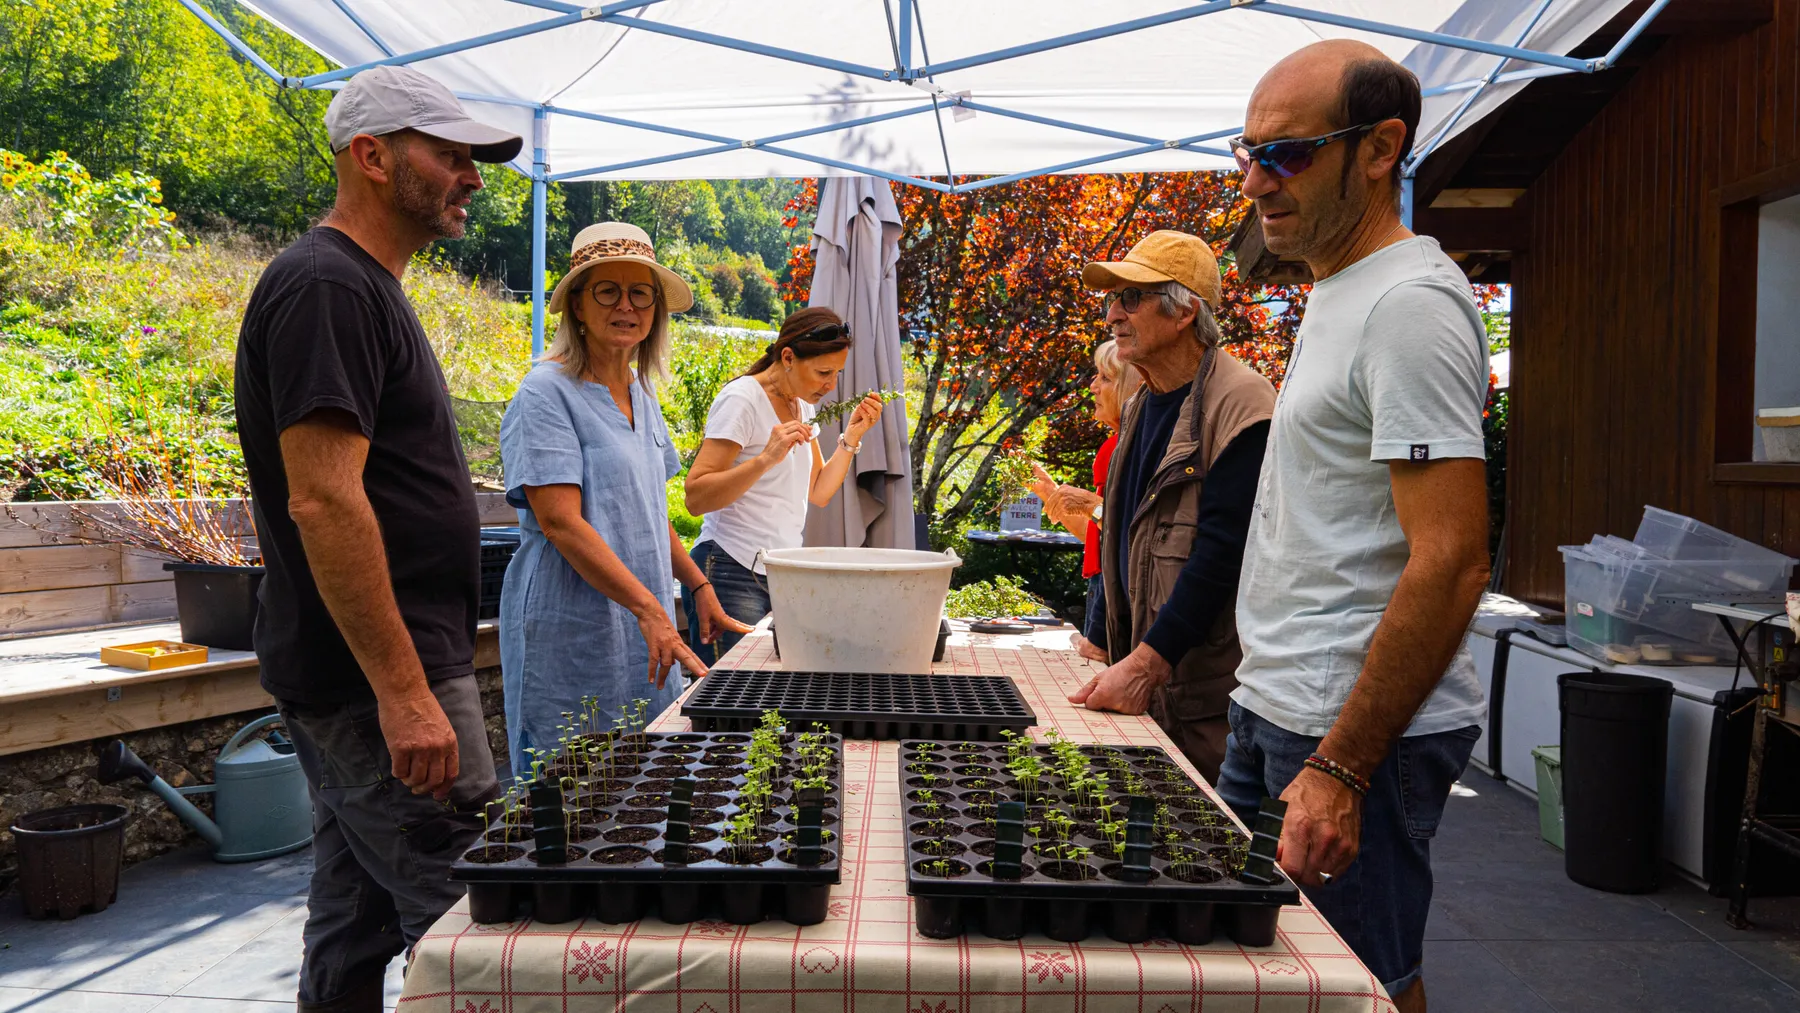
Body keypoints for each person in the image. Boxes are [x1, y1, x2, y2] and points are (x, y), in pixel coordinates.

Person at [232, 66, 522, 1012]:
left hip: (371, 673)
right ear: (372, 156)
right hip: (376, 681)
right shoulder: (327, 286)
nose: (472, 176)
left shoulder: (362, 284)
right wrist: (404, 694)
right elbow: (323, 500)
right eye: (450, 155)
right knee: (472, 925)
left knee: (353, 919)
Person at [1220, 41, 1492, 1013]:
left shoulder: (1409, 304)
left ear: (1381, 149)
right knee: (1273, 978)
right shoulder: (1340, 287)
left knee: (1361, 986)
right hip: (1282, 703)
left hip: (1342, 731)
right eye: (1244, 152)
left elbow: (1454, 557)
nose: (1254, 180)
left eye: (1286, 154)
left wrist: (1340, 763)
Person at [498, 222, 749, 774]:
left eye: (640, 293)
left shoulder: (641, 392)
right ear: (578, 307)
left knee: (640, 773)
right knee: (569, 775)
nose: (626, 306)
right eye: (606, 291)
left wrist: (697, 584)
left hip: (643, 617)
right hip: (574, 622)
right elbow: (561, 523)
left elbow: (647, 513)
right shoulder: (545, 393)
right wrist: (651, 609)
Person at [1066, 230, 1275, 781]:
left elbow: (1223, 553)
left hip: (1203, 701)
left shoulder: (1241, 402)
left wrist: (1146, 664)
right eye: (1113, 299)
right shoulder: (1143, 404)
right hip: (1150, 685)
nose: (1113, 315)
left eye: (1130, 298)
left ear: (1184, 311)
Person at [680, 307, 887, 664]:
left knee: (768, 703)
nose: (830, 385)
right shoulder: (742, 400)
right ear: (788, 357)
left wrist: (851, 438)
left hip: (779, 574)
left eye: (837, 373)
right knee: (735, 705)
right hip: (728, 571)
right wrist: (765, 458)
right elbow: (696, 496)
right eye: (823, 372)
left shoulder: (800, 406)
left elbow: (820, 491)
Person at [1028, 340, 1141, 660]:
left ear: (1131, 386)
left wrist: (1091, 505)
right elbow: (1099, 533)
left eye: (1105, 377)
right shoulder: (1113, 446)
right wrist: (1054, 498)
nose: (1092, 386)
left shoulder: (1124, 449)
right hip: (1104, 581)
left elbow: (1132, 533)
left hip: (1116, 587)